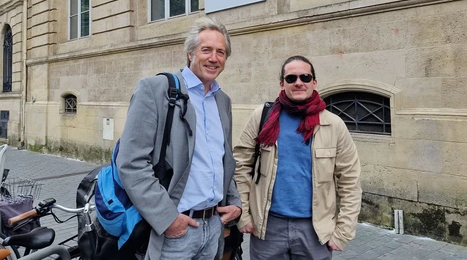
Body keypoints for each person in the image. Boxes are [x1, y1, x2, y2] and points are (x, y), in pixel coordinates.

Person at [116, 18, 242, 260]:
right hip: (175, 230)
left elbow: (222, 160)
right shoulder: (156, 90)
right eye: (206, 50)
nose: (214, 58)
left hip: (213, 226)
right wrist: (168, 219)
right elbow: (131, 163)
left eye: (221, 52)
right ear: (190, 53)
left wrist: (234, 203)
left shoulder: (222, 100)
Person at [233, 55, 362, 260]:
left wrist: (343, 231)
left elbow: (350, 181)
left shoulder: (334, 125)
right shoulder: (262, 117)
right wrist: (244, 216)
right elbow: (240, 166)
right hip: (268, 228)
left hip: (315, 231)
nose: (299, 82)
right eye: (291, 78)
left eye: (305, 77)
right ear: (282, 84)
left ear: (314, 82)